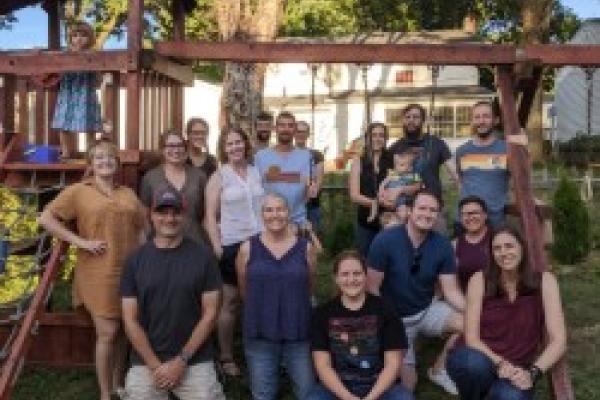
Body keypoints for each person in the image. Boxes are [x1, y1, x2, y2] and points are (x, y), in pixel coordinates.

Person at [39, 141, 146, 400]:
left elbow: (142, 228)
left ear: (117, 164)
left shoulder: (128, 194)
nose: (105, 161)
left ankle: (120, 382)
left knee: (124, 330)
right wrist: (81, 242)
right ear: (91, 163)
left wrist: (147, 259)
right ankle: (105, 393)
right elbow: (46, 218)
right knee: (107, 333)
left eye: (110, 157)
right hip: (98, 272)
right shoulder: (78, 191)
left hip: (131, 271)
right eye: (99, 157)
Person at [120, 187, 225, 400]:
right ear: (151, 215)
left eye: (176, 212)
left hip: (194, 358)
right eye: (162, 212)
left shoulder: (204, 257)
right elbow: (130, 320)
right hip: (146, 360)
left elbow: (211, 314)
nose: (170, 218)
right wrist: (155, 365)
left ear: (184, 216)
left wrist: (181, 361)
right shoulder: (135, 260)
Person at [447, 226, 567, 400]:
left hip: (517, 367)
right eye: (497, 248)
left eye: (509, 246)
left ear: (522, 248)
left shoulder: (545, 282)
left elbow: (559, 340)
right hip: (480, 357)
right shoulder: (479, 280)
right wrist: (500, 363)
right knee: (472, 366)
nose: (503, 253)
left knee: (511, 396)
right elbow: (472, 337)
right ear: (492, 254)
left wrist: (532, 373)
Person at [367, 189, 465, 394]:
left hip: (426, 310)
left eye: (433, 210)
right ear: (409, 211)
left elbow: (451, 291)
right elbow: (372, 288)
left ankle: (439, 369)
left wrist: (477, 312)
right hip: (395, 319)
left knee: (470, 323)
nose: (427, 214)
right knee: (408, 387)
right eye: (422, 208)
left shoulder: (443, 246)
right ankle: (397, 359)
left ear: (438, 215)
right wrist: (385, 324)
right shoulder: (385, 241)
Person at [236, 193, 317, 400]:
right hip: (260, 332)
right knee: (263, 395)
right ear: (261, 214)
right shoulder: (247, 248)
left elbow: (309, 287)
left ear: (289, 212)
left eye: (280, 209)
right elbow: (245, 291)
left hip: (299, 332)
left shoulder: (306, 248)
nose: (275, 215)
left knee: (308, 393)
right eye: (269, 210)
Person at [307, 250, 414, 400]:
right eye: (345, 274)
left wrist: (371, 398)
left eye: (357, 273)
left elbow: (393, 363)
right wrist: (348, 398)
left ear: (365, 276)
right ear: (336, 278)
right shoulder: (322, 314)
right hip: (337, 387)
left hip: (379, 385)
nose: (351, 280)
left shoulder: (386, 310)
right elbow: (322, 365)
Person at [204, 127, 264, 378]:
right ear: (223, 149)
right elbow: (209, 215)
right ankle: (226, 356)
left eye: (238, 142)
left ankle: (259, 351)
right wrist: (217, 246)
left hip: (260, 242)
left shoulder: (255, 172)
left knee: (257, 299)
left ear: (245, 145)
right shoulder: (219, 176)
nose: (235, 147)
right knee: (229, 302)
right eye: (229, 144)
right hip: (232, 244)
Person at [387, 104, 458, 232]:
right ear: (403, 120)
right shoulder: (395, 148)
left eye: (416, 117)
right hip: (404, 209)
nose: (411, 120)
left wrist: (460, 183)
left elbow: (454, 172)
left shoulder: (436, 143)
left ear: (422, 120)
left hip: (432, 209)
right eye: (408, 117)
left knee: (437, 248)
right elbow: (389, 179)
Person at [140, 131, 207, 244]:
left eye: (180, 146)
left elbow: (206, 214)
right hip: (162, 244)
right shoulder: (150, 178)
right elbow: (144, 216)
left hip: (195, 242)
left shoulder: (199, 176)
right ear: (162, 150)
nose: (176, 150)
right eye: (170, 146)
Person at [50, 21, 102, 158]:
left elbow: (98, 80)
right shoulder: (65, 53)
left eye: (83, 35)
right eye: (75, 35)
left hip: (85, 93)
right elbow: (53, 69)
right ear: (70, 38)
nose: (78, 38)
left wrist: (96, 71)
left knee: (89, 124)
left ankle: (90, 153)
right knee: (63, 123)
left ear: (90, 38)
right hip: (67, 92)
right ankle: (66, 151)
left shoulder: (93, 55)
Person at [254, 111, 316, 227]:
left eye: (290, 125)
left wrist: (311, 188)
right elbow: (256, 188)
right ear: (275, 129)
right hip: (269, 222)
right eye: (282, 125)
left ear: (295, 130)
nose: (286, 129)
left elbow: (310, 185)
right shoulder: (260, 157)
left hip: (298, 221)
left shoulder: (306, 156)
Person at [349, 122, 394, 257]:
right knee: (364, 258)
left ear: (386, 138)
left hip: (389, 219)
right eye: (373, 135)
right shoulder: (359, 161)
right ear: (367, 138)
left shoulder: (393, 159)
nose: (377, 138)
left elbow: (401, 184)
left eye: (381, 135)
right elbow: (354, 195)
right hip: (365, 220)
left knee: (388, 258)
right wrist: (376, 203)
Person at [373, 150, 421, 227]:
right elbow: (384, 182)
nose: (399, 167)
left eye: (404, 165)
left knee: (403, 213)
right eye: (398, 165)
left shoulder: (411, 176)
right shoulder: (394, 174)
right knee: (379, 206)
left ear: (410, 167)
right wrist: (381, 190)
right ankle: (377, 216)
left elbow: (419, 185)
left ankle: (400, 226)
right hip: (388, 198)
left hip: (401, 201)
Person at [453, 196, 491, 293]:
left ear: (485, 215)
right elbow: (453, 284)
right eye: (465, 214)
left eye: (474, 213)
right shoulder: (454, 245)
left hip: (495, 299)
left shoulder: (497, 239)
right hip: (465, 299)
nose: (470, 217)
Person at [295, 120, 325, 235]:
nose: (300, 134)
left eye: (304, 131)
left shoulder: (317, 155)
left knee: (313, 240)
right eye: (298, 131)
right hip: (292, 207)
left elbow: (319, 180)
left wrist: (313, 188)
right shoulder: (286, 154)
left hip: (312, 206)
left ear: (308, 134)